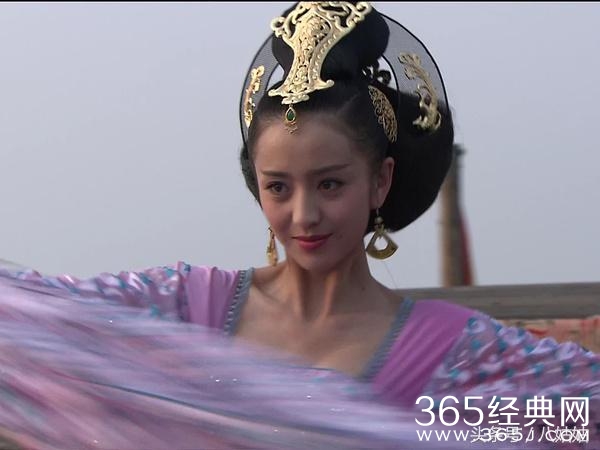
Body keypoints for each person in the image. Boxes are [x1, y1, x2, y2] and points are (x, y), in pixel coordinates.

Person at [1, 2, 598, 448]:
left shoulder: (454, 352)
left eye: (330, 184)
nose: (304, 215)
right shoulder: (183, 306)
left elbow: (577, 413)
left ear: (381, 181)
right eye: (278, 188)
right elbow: (35, 322)